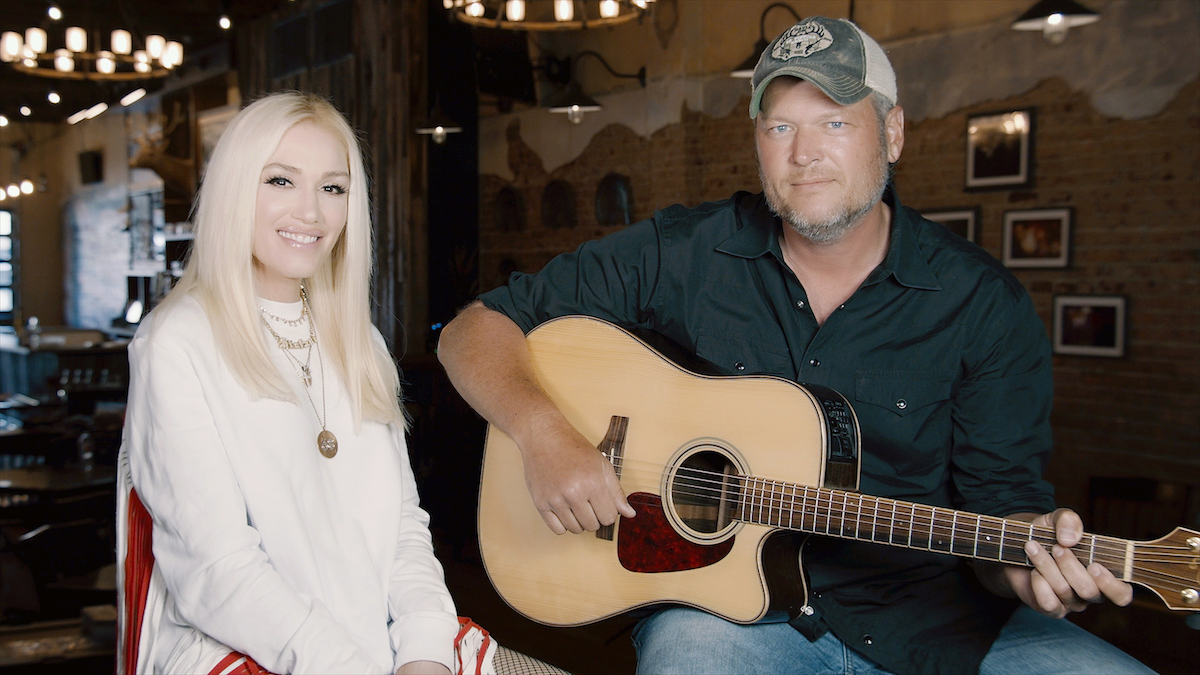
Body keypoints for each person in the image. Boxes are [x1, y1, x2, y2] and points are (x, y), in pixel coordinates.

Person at [437, 17, 1155, 675]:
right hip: (726, 615)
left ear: (892, 132)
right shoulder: (684, 250)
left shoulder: (984, 304)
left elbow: (1005, 509)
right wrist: (543, 432)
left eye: (834, 122)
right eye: (779, 127)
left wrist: (1029, 565)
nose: (804, 154)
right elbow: (473, 331)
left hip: (929, 625)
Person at [117, 92, 458, 675]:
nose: (312, 213)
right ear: (233, 190)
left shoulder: (361, 341)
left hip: (384, 652)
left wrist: (426, 652)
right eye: (280, 181)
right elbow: (216, 569)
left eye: (333, 188)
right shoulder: (176, 342)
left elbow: (402, 529)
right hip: (252, 655)